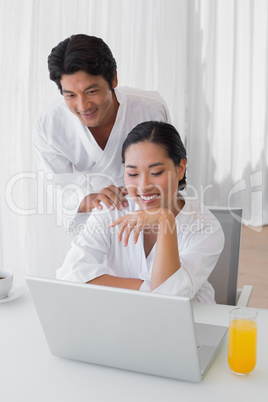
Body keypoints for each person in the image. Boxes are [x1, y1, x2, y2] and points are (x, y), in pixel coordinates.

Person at [57, 121, 224, 303]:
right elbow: (69, 274)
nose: (143, 187)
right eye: (133, 174)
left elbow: (170, 300)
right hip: (122, 318)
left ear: (180, 168)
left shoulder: (205, 225)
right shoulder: (113, 209)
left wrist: (164, 218)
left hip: (190, 322)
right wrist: (149, 290)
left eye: (156, 172)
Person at [33, 34, 170, 230]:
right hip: (92, 226)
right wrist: (94, 198)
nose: (83, 106)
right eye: (70, 95)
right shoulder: (50, 126)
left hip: (150, 220)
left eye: (91, 92)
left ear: (113, 78)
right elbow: (56, 188)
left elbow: (170, 167)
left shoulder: (150, 109)